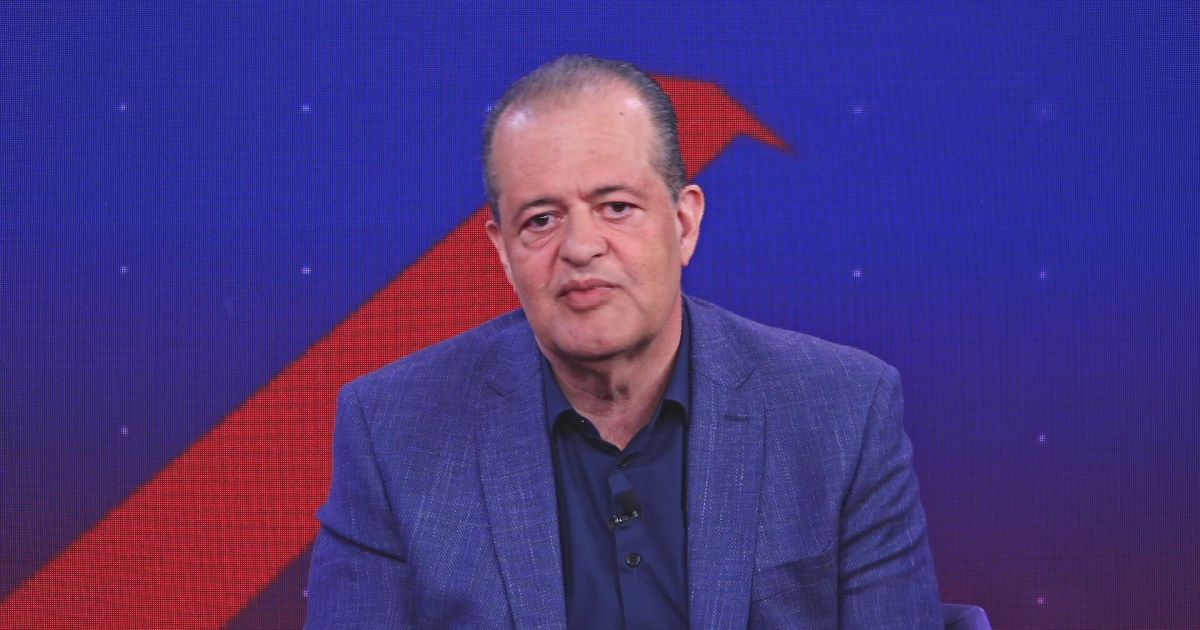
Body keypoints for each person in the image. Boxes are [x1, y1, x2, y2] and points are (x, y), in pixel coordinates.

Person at [306, 55, 942, 629]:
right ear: (503, 252)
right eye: (542, 219)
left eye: (615, 206)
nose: (580, 247)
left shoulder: (842, 410)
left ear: (684, 223)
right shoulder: (395, 430)